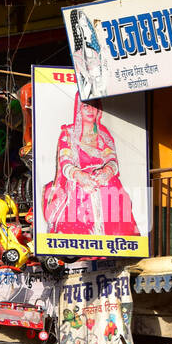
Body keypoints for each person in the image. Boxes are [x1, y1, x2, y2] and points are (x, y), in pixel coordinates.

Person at [42, 93, 140, 237]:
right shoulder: (68, 133)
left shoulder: (103, 134)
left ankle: (115, 242)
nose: (90, 110)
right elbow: (65, 161)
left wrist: (107, 171)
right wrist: (79, 175)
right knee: (82, 192)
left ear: (99, 109)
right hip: (77, 180)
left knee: (113, 188)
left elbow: (112, 159)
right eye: (86, 106)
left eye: (94, 106)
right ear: (79, 108)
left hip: (103, 179)